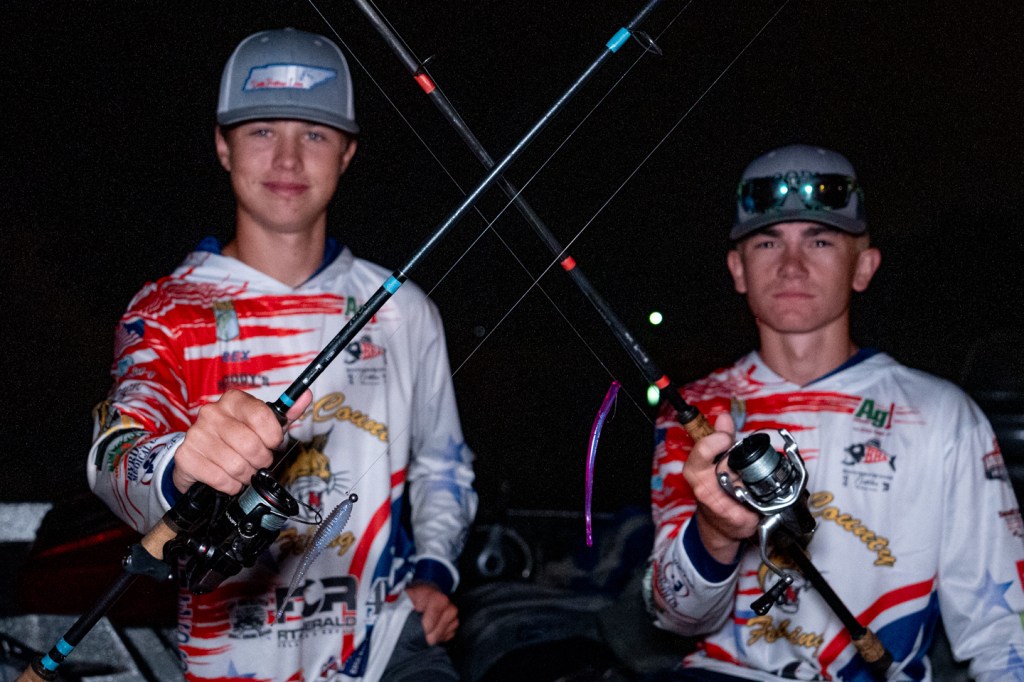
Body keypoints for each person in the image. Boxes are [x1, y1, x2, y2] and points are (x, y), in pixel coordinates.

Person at [87, 27, 477, 681]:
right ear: (222, 144)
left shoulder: (404, 309)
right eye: (263, 130)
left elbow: (444, 466)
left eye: (315, 134)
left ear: (348, 153)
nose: (289, 159)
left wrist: (435, 570)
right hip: (227, 662)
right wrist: (178, 467)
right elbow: (112, 456)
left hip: (386, 647)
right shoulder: (165, 310)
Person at [644, 143, 1024, 680]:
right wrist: (716, 532)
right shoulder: (693, 414)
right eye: (768, 241)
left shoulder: (944, 416)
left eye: (820, 240)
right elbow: (674, 616)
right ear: (737, 269)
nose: (791, 265)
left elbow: (1002, 629)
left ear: (863, 267)